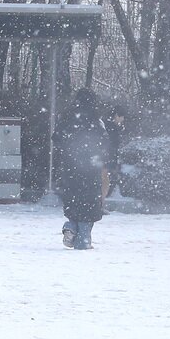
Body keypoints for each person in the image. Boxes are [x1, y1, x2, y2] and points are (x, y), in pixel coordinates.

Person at [54, 89, 111, 250]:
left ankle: (71, 226)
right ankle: (83, 241)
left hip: (70, 168)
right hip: (91, 169)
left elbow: (57, 138)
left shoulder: (66, 118)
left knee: (73, 201)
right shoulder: (96, 121)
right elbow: (104, 143)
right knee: (89, 205)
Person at [105, 103, 130, 196]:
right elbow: (112, 146)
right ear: (116, 115)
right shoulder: (111, 128)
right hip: (108, 159)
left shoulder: (107, 125)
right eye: (122, 117)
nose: (123, 120)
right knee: (107, 181)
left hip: (106, 159)